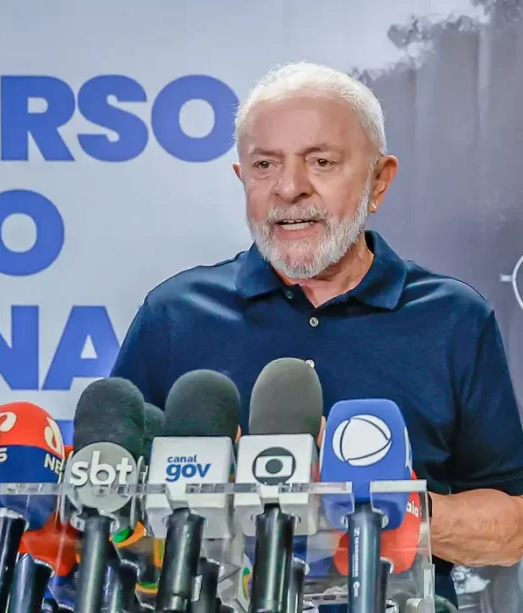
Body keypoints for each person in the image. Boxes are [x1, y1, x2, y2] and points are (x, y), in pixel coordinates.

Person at [108, 61, 523, 607]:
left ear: (379, 180)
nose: (289, 188)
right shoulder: (174, 314)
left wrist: (371, 505)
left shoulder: (454, 319)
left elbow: (510, 527)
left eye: (321, 162)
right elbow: (109, 509)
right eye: (264, 165)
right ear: (242, 180)